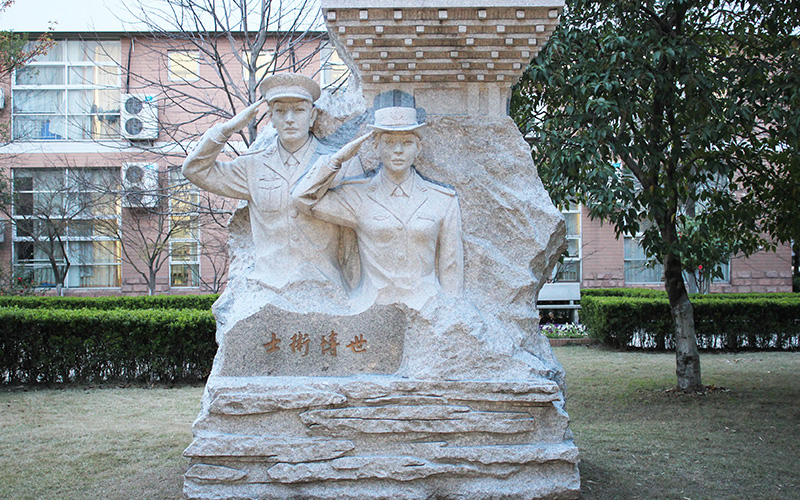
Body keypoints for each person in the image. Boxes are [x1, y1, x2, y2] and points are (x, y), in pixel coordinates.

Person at [182, 73, 362, 289]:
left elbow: (355, 235)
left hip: (325, 284)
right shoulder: (253, 166)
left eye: (299, 110)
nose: (289, 119)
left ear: (312, 115)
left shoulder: (340, 163)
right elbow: (195, 170)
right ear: (271, 118)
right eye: (280, 111)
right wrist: (226, 129)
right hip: (268, 285)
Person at [292, 106, 463, 310]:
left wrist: (452, 314)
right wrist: (335, 161)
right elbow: (303, 199)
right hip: (371, 309)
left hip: (428, 308)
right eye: (388, 142)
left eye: (407, 142)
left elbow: (450, 267)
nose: (397, 150)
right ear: (376, 146)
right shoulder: (358, 195)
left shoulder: (442, 200)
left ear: (418, 147)